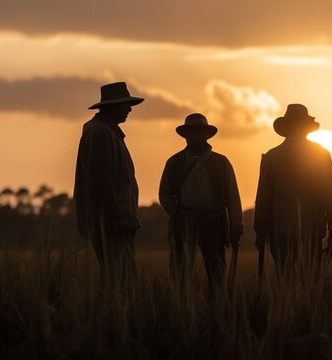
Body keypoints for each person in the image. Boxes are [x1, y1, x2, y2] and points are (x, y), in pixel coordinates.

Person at [159, 113, 243, 297]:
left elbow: (233, 198)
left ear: (206, 135)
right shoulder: (174, 163)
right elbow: (164, 193)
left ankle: (217, 308)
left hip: (212, 221)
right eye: (192, 132)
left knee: (216, 272)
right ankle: (181, 309)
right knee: (180, 272)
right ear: (186, 135)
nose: (195, 136)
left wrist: (236, 226)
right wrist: (177, 213)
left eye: (199, 132)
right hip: (183, 222)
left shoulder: (222, 163)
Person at [254, 104, 332, 275]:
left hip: (280, 231)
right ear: (306, 127)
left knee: (285, 280)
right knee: (311, 281)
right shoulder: (321, 154)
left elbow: (263, 198)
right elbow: (330, 192)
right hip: (312, 230)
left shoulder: (271, 156)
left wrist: (260, 230)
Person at [74, 82, 144, 288]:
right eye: (125, 105)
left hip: (117, 220)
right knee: (121, 278)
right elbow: (101, 182)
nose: (129, 109)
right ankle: (113, 316)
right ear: (112, 107)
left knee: (119, 276)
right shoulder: (100, 133)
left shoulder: (106, 131)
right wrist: (117, 217)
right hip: (113, 222)